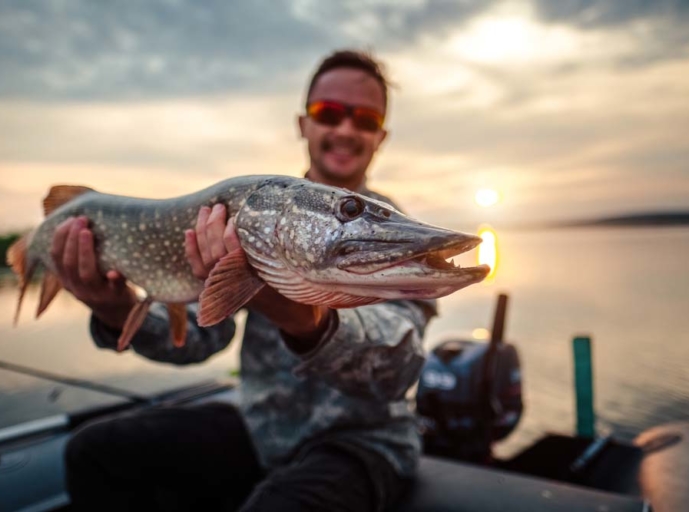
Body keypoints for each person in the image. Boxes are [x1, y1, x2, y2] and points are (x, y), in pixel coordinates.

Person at [58, 49, 438, 511]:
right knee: (95, 451)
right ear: (304, 124)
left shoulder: (395, 243)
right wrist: (115, 310)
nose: (344, 130)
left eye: (364, 119)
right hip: (262, 429)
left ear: (381, 135)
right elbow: (199, 339)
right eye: (329, 113)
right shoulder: (251, 215)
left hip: (361, 444)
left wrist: (308, 322)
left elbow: (396, 371)